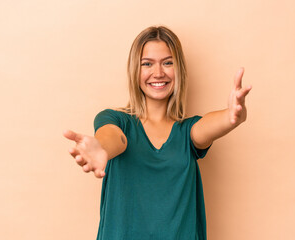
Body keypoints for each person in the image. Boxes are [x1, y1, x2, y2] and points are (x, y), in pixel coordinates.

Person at [63, 25, 252, 240]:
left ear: (178, 69)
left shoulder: (187, 132)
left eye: (168, 63)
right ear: (135, 69)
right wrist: (101, 149)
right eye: (147, 64)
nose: (158, 73)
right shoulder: (116, 120)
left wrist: (232, 116)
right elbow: (115, 138)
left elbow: (209, 125)